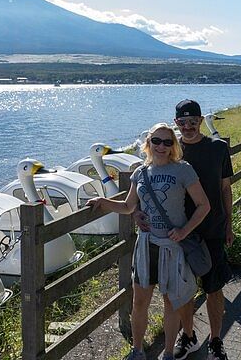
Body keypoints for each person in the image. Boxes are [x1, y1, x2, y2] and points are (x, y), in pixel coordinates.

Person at [87, 123, 211, 360]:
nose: (161, 146)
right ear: (148, 143)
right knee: (140, 301)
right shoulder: (140, 172)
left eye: (167, 142)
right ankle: (138, 350)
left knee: (170, 302)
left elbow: (204, 205)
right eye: (156, 141)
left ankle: (167, 353)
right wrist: (103, 201)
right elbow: (128, 206)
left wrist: (184, 231)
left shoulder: (183, 170)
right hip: (146, 247)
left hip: (172, 247)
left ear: (174, 146)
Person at [134, 99, 234, 360]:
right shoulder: (170, 150)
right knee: (184, 291)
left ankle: (215, 340)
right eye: (183, 122)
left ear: (201, 121)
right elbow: (145, 190)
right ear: (176, 123)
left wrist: (229, 225)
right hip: (175, 235)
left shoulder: (218, 148)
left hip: (210, 230)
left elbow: (225, 189)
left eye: (193, 121)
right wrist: (136, 212)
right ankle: (188, 336)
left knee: (213, 288)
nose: (188, 126)